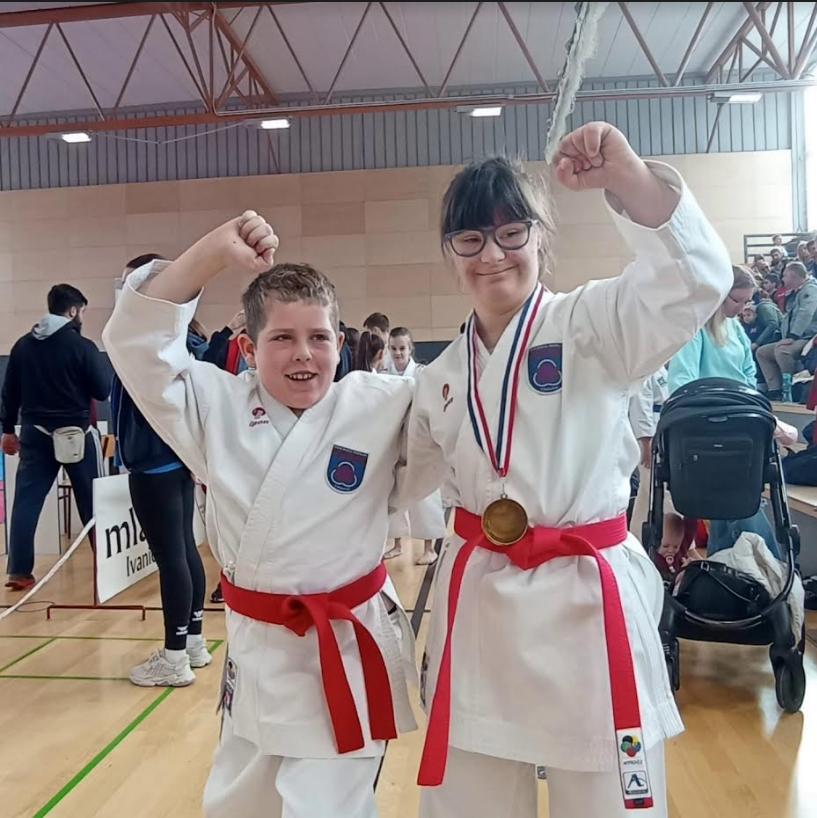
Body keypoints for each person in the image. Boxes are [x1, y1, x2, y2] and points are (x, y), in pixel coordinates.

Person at [400, 122, 732, 818]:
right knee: (469, 802)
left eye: (510, 233)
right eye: (470, 239)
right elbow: (389, 484)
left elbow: (696, 279)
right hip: (481, 608)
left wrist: (628, 176)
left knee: (606, 800)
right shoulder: (437, 379)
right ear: (449, 253)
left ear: (541, 238)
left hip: (585, 604)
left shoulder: (593, 325)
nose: (492, 254)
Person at [103, 216, 418, 818]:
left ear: (341, 344)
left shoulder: (381, 405)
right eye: (282, 338)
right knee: (237, 805)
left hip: (345, 650)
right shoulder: (214, 406)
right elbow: (136, 340)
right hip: (257, 653)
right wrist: (213, 253)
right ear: (248, 348)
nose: (303, 354)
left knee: (326, 809)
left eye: (319, 337)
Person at [112, 253, 212, 687]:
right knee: (184, 550)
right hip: (173, 460)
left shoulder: (148, 346)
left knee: (172, 557)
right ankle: (192, 642)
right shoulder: (178, 340)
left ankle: (174, 657)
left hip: (155, 462)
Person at [1, 284, 111, 590]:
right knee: (93, 502)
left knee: (26, 503)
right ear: (73, 311)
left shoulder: (23, 346)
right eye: (82, 311)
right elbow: (102, 390)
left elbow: (9, 393)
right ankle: (106, 567)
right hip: (77, 434)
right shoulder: (82, 347)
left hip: (34, 434)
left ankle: (19, 571)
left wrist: (7, 430)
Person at [668, 266, 781, 559]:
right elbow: (682, 381)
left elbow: (748, 375)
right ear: (718, 295)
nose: (742, 308)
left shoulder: (736, 329)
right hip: (704, 424)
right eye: (736, 300)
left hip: (739, 421)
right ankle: (773, 564)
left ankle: (725, 567)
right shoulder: (695, 327)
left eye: (746, 302)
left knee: (731, 502)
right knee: (735, 501)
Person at [383, 327, 447, 565]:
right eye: (393, 348)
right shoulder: (384, 375)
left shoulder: (422, 374)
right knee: (393, 491)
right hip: (393, 439)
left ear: (410, 349)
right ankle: (397, 543)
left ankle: (430, 547)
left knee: (425, 494)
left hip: (419, 440)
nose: (398, 353)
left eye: (402, 348)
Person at [756, 261, 817, 400]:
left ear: (794, 276)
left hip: (808, 338)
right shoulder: (797, 292)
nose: (782, 279)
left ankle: (790, 388)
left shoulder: (810, 290)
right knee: (762, 352)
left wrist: (793, 336)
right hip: (796, 337)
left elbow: (806, 313)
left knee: (783, 351)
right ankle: (775, 390)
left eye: (785, 276)